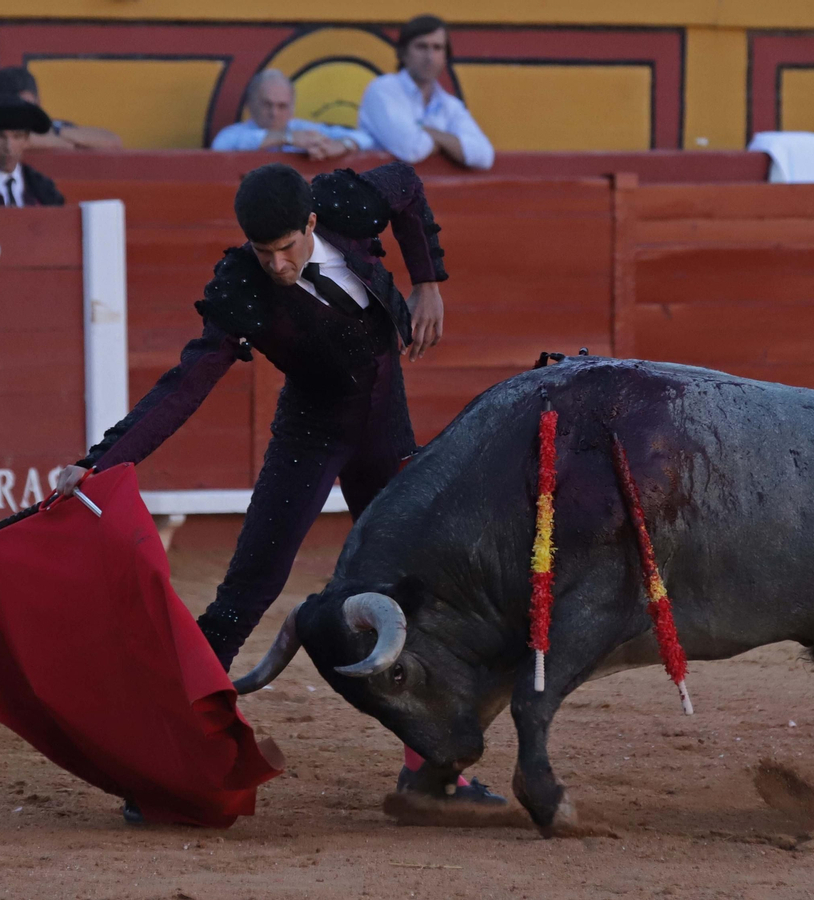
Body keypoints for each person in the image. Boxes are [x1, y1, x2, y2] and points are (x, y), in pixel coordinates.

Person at [52, 162, 499, 812]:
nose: (278, 266)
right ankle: (164, 766)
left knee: (415, 593)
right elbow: (186, 385)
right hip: (310, 436)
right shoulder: (243, 283)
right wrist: (102, 461)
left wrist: (429, 282)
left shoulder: (345, 205)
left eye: (287, 248)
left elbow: (405, 184)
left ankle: (431, 772)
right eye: (264, 253)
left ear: (312, 223)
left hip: (385, 431)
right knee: (246, 592)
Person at [358, 14, 494, 170]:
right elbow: (411, 149)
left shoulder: (449, 104)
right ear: (403, 53)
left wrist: (430, 133)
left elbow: (484, 156)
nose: (430, 57)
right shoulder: (383, 90)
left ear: (445, 56)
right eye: (421, 47)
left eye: (437, 48)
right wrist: (450, 144)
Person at [210, 69, 373, 160]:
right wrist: (288, 138)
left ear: (292, 108)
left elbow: (366, 138)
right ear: (250, 105)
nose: (274, 113)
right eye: (267, 104)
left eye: (282, 106)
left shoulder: (305, 130)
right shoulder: (235, 134)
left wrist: (341, 145)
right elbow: (220, 146)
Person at [0, 66, 122, 151]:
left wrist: (56, 132)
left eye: (28, 105)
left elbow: (113, 141)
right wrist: (64, 142)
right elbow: (24, 141)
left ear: (38, 103)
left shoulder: (55, 128)